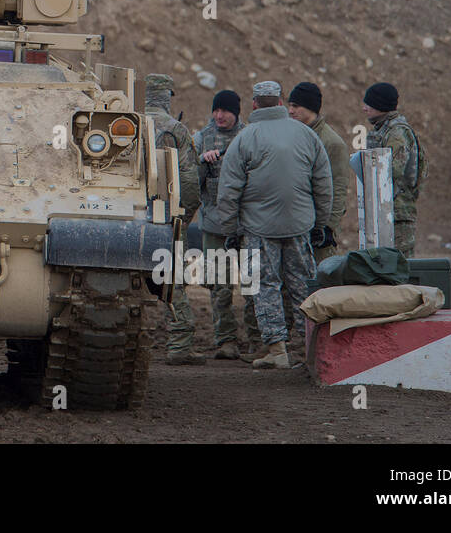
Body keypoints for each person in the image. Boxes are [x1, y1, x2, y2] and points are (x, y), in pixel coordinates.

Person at [215, 81, 332, 370]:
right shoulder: (306, 135)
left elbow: (229, 190)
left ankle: (277, 350)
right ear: (281, 103)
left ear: (254, 104)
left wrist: (230, 230)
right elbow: (323, 183)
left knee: (265, 287)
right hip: (299, 224)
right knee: (303, 286)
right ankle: (313, 351)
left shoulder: (244, 138)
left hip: (258, 229)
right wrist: (319, 222)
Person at [142, 73, 204, 366]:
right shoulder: (176, 129)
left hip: (127, 216)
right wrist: (182, 220)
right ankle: (179, 342)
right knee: (172, 278)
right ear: (168, 97)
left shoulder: (126, 121)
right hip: (166, 216)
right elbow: (190, 185)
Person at [194, 89, 256, 360]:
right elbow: (190, 182)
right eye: (216, 110)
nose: (219, 116)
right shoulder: (202, 138)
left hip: (247, 225)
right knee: (219, 286)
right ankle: (225, 340)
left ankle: (257, 341)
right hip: (214, 224)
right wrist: (202, 163)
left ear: (236, 112)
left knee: (252, 286)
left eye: (225, 111)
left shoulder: (250, 136)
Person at [286, 82, 351, 262]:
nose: (290, 111)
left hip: (317, 227)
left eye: (296, 106)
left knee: (320, 281)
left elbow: (338, 188)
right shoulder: (290, 135)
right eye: (290, 105)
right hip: (293, 223)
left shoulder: (332, 143)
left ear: (311, 108)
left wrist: (328, 228)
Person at [363, 83, 426, 258]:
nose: (364, 108)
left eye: (368, 104)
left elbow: (390, 173)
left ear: (380, 106)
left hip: (398, 214)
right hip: (386, 212)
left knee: (399, 267)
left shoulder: (397, 134)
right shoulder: (384, 131)